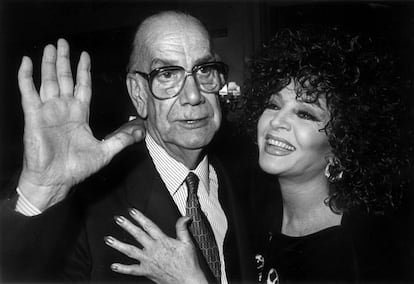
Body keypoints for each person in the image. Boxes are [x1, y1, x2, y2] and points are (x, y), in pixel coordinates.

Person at [105, 26, 411, 283]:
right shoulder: (252, 208)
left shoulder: (367, 249)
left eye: (305, 114)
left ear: (343, 144)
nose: (278, 122)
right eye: (275, 105)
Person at [0, 10, 254, 283]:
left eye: (204, 70)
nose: (193, 96)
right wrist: (39, 193)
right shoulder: (88, 208)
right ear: (138, 93)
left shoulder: (253, 182)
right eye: (167, 74)